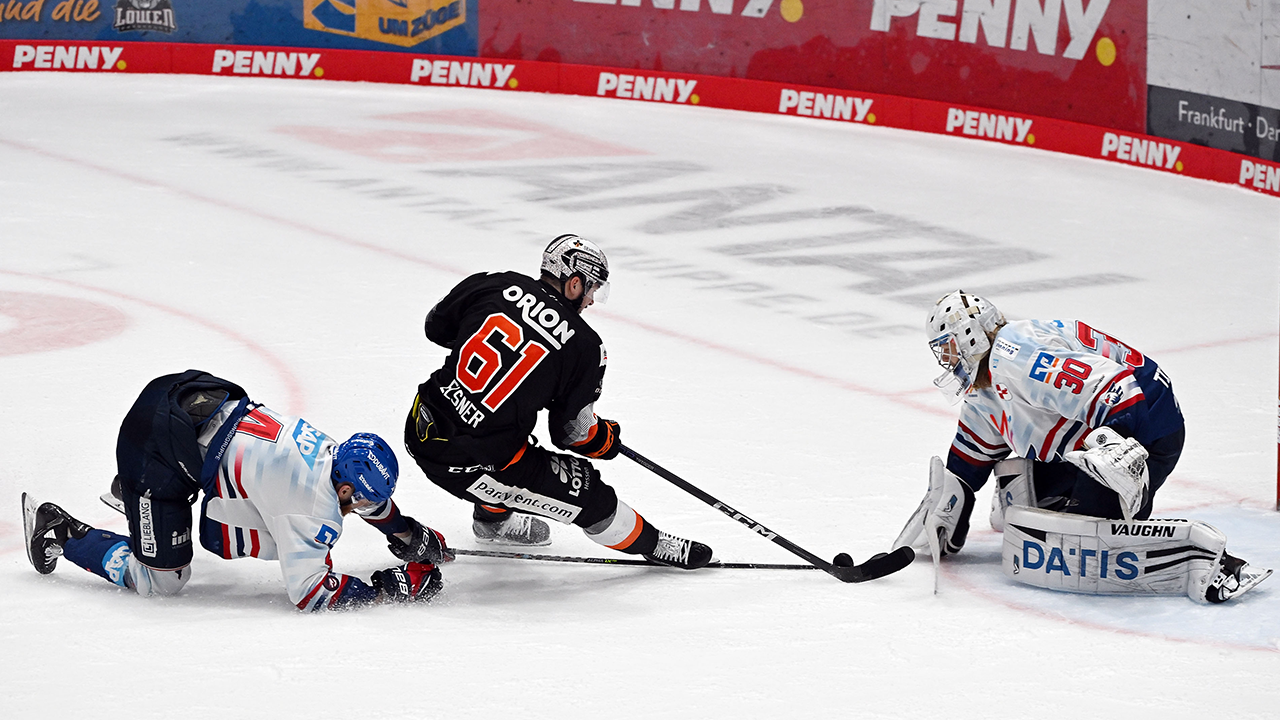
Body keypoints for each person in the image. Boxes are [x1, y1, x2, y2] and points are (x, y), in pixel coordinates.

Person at [894, 291, 1270, 603]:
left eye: (948, 348)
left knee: (1080, 547)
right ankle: (1084, 498)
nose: (947, 360)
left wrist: (1116, 457)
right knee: (1024, 517)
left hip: (1148, 428)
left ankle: (1205, 559)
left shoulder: (1015, 355)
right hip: (1104, 432)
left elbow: (1119, 390)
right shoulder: (986, 383)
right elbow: (969, 456)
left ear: (971, 337)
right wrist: (949, 500)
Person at [403, 234, 712, 569]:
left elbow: (436, 328)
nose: (592, 301)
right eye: (593, 289)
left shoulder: (494, 283)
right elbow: (571, 434)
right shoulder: (584, 346)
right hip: (463, 464)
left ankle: (493, 521)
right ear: (575, 283)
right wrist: (603, 439)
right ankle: (655, 544)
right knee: (587, 491)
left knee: (510, 432)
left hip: (422, 420)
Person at [23, 370, 452, 611]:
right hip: (153, 445)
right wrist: (390, 588)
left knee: (237, 528)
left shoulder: (329, 452)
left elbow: (368, 499)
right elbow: (311, 592)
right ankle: (62, 531)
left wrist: (407, 533)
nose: (362, 507)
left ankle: (140, 497)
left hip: (187, 398)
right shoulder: (311, 504)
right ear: (342, 489)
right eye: (358, 499)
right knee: (163, 582)